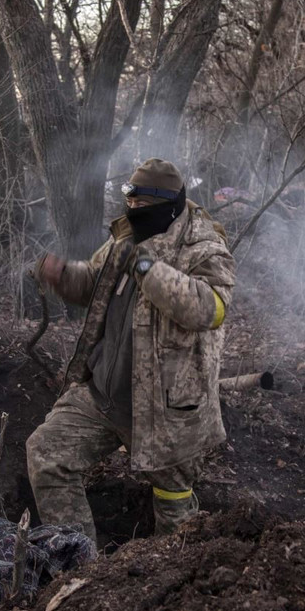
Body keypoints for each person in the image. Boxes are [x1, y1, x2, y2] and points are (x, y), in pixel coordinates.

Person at [28, 159, 235, 539]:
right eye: (130, 201)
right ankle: (77, 565)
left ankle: (172, 585)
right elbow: (93, 282)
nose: (132, 210)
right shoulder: (126, 236)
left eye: (140, 204)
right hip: (104, 395)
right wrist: (60, 274)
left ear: (166, 204)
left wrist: (147, 268)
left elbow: (211, 309)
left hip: (166, 411)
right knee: (47, 453)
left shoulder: (204, 246)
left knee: (175, 513)